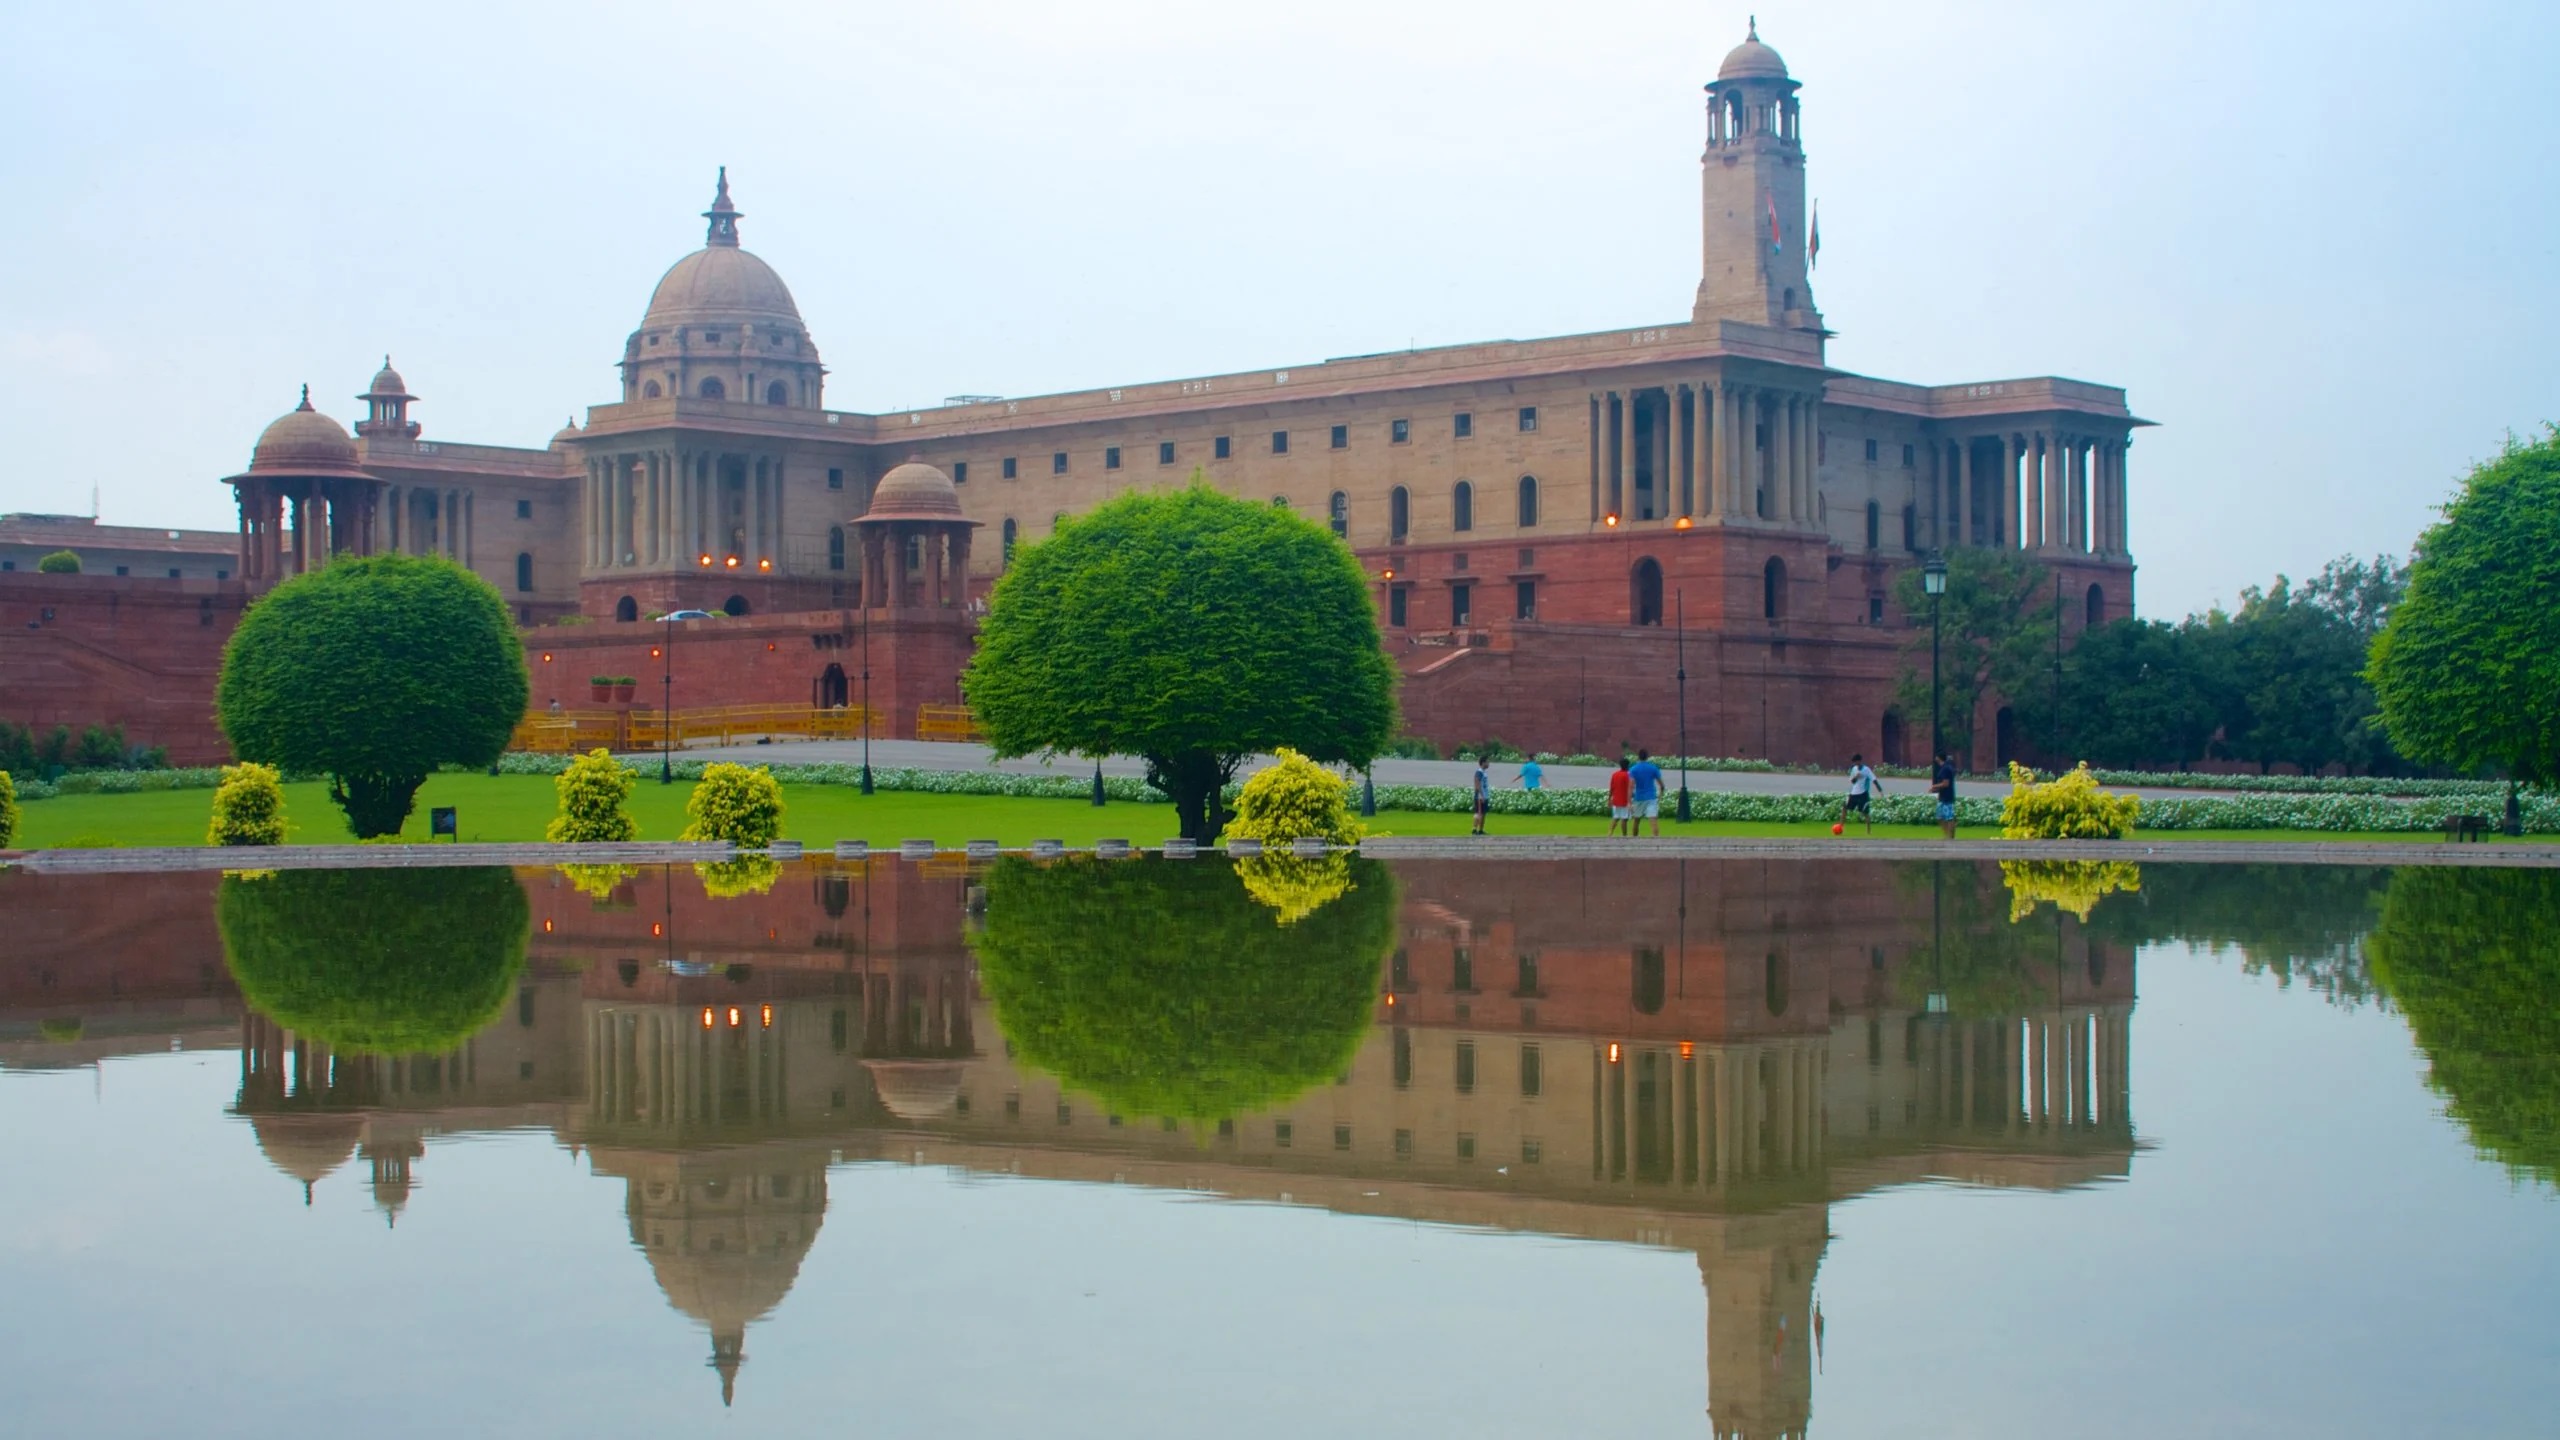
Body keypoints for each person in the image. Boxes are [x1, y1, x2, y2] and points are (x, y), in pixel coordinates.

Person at [1841, 753, 1882, 834]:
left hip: (1863, 793)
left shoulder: (1866, 770)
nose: (1855, 764)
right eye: (1854, 763)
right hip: (1854, 793)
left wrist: (1880, 791)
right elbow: (1852, 782)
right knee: (1845, 807)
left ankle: (1869, 831)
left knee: (1865, 812)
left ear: (1860, 761)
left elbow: (1874, 780)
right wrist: (1856, 777)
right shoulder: (1854, 769)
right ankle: (1840, 827)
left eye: (1856, 762)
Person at [1628, 748, 1665, 837]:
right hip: (1651, 797)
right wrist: (1660, 795)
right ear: (1647, 757)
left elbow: (1631, 786)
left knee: (1636, 821)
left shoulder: (1633, 769)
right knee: (1653, 820)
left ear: (1638, 757)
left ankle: (1634, 839)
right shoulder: (1653, 768)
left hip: (1639, 797)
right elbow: (1662, 785)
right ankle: (1656, 840)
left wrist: (1629, 802)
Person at [1931, 751, 1959, 839]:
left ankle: (1950, 836)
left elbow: (1946, 783)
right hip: (1943, 797)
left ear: (1939, 758)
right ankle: (1947, 834)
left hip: (1947, 797)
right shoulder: (1944, 768)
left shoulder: (1946, 769)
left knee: (1949, 817)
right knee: (1940, 817)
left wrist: (1934, 786)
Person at [1607, 756, 1634, 837]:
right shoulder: (1629, 775)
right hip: (1625, 800)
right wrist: (1630, 801)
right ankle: (1624, 835)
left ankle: (1610, 833)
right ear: (1628, 765)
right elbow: (1630, 788)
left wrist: (1609, 799)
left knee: (1616, 818)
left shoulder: (1615, 775)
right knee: (1624, 819)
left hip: (1616, 800)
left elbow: (1611, 788)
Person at [1471, 755, 1492, 835]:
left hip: (1485, 795)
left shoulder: (1484, 772)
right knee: (1478, 813)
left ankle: (1481, 830)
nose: (1489, 763)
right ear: (1483, 763)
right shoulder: (1479, 772)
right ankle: (1474, 829)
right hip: (1480, 797)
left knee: (1483, 813)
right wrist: (1481, 795)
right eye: (1487, 762)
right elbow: (1477, 783)